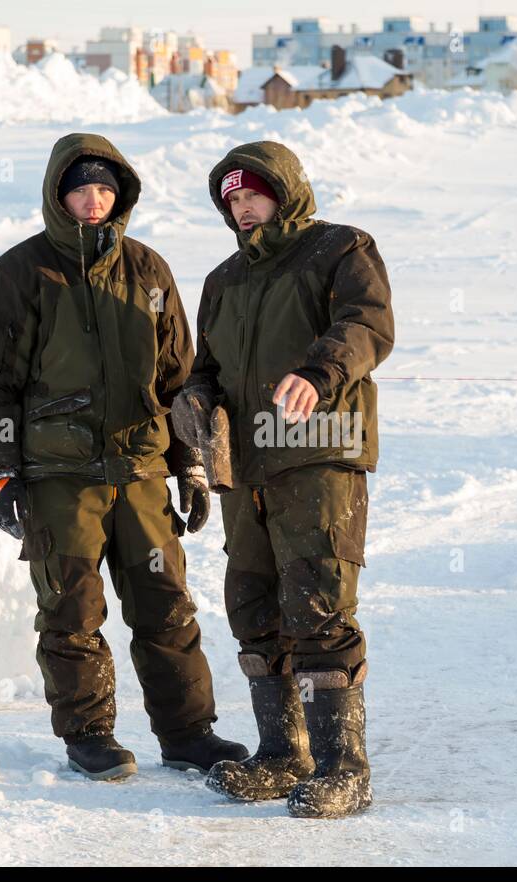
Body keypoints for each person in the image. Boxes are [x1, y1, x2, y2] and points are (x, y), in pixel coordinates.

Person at [0, 133, 247, 781]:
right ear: (57, 195)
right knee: (71, 611)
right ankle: (90, 735)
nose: (94, 201)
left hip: (143, 472)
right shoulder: (19, 273)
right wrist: (0, 473)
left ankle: (187, 734)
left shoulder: (149, 270)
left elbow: (181, 380)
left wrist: (196, 464)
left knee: (166, 606)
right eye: (81, 188)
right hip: (59, 480)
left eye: (104, 189)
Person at [172, 142, 394, 818]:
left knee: (318, 605)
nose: (242, 209)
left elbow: (367, 324)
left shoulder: (339, 248)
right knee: (254, 606)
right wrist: (195, 399)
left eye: (253, 195)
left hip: (319, 452)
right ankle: (283, 754)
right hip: (246, 470)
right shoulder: (224, 280)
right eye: (232, 200)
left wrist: (320, 372)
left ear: (285, 190)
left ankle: (343, 769)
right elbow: (206, 365)